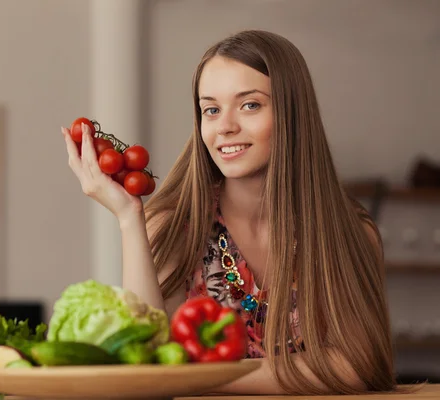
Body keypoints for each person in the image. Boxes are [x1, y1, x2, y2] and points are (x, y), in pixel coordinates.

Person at [61, 30, 396, 395]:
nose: (225, 127)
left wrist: (204, 378)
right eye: (211, 109)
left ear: (292, 114)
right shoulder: (175, 228)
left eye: (250, 105)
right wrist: (128, 219)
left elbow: (361, 365)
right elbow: (146, 363)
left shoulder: (351, 232)